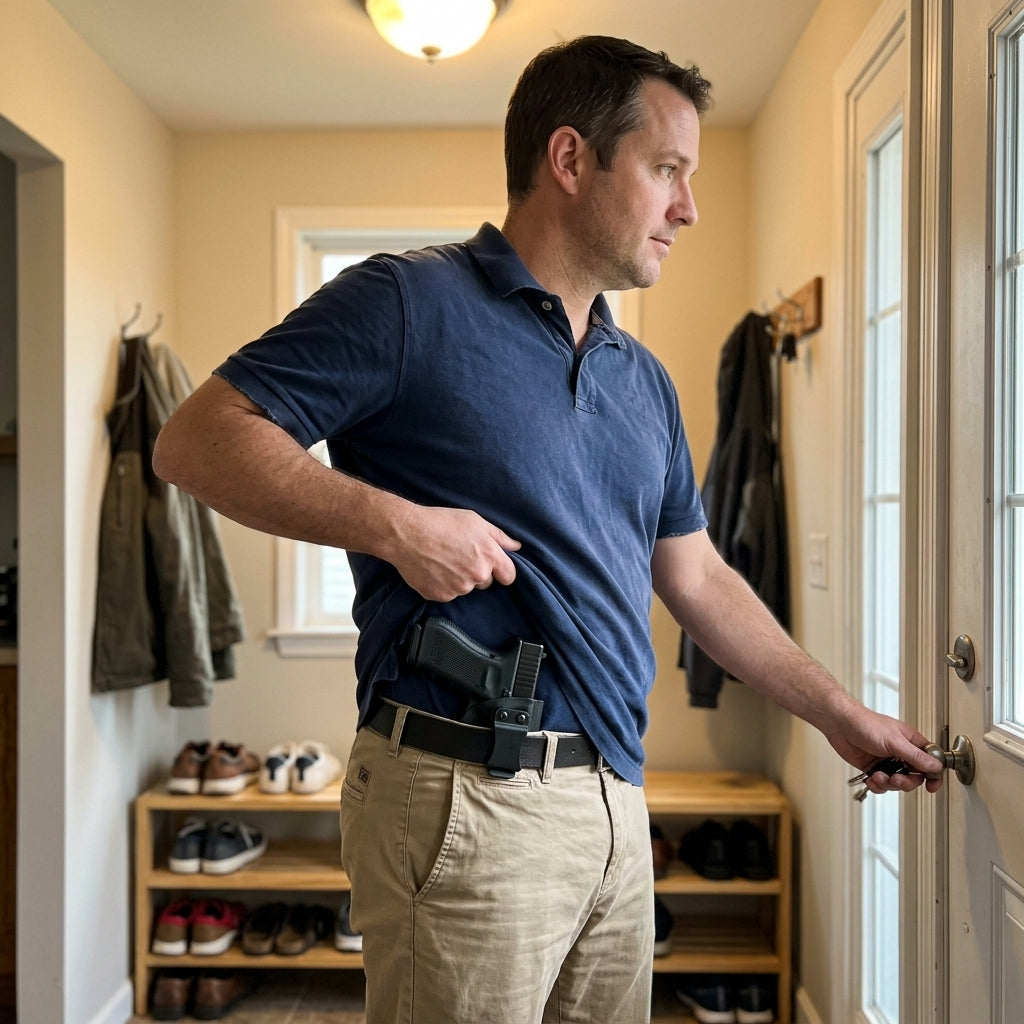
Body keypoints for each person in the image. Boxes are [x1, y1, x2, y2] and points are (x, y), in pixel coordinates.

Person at [153, 35, 943, 1024]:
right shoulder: (408, 301)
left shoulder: (642, 381)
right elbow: (196, 440)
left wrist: (838, 714)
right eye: (666, 170)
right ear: (571, 159)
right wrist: (395, 524)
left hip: (615, 800)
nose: (688, 208)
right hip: (464, 798)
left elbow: (698, 578)